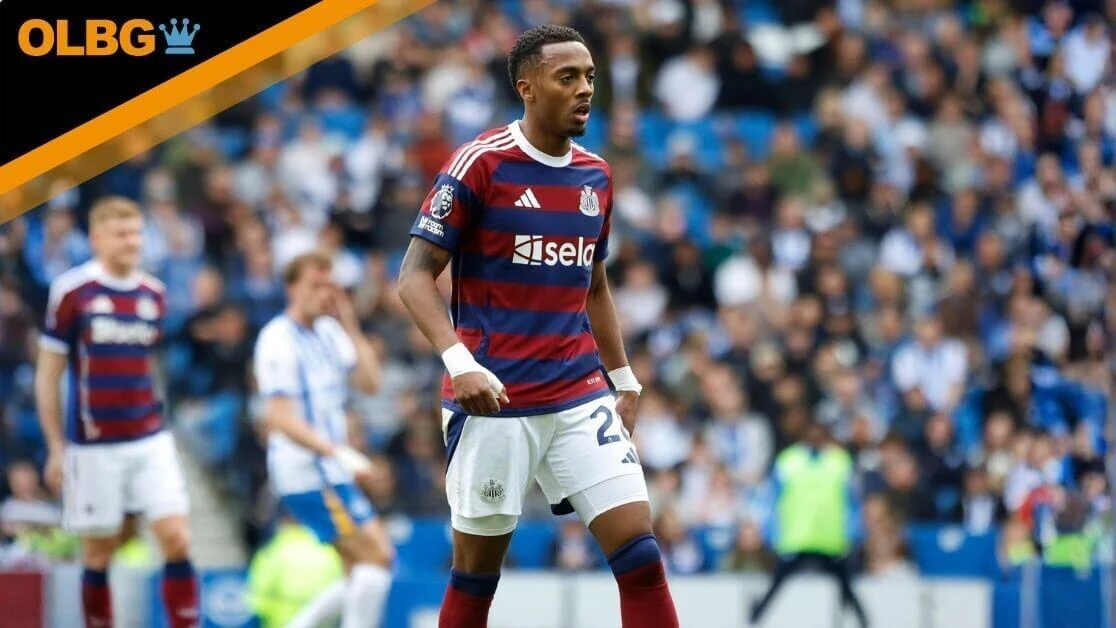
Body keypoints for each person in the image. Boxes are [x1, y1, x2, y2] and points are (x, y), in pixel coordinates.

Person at [397, 24, 680, 628]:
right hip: (495, 399)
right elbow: (414, 277)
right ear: (527, 88)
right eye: (568, 77)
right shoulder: (481, 165)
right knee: (476, 580)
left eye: (591, 78)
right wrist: (460, 362)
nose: (585, 90)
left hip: (578, 390)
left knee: (642, 558)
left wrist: (623, 376)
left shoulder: (596, 176)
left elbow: (594, 282)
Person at [33, 196, 199, 628]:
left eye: (137, 232)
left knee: (177, 537)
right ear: (97, 238)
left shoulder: (153, 295)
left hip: (149, 437)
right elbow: (48, 374)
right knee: (98, 551)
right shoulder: (72, 292)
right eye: (122, 233)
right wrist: (55, 447)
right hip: (93, 446)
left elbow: (147, 366)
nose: (132, 241)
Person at [252, 251, 394, 628]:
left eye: (329, 285)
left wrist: (347, 319)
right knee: (377, 558)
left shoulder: (330, 333)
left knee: (362, 570)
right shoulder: (277, 339)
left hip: (332, 469)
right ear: (292, 288)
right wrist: (339, 453)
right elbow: (279, 417)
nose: (323, 293)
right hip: (305, 471)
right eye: (315, 285)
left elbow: (370, 382)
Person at [750, 421, 869, 628]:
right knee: (775, 586)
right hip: (796, 538)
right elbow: (771, 500)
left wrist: (853, 531)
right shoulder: (787, 461)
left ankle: (864, 622)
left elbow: (852, 501)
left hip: (830, 540)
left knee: (846, 587)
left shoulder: (840, 462)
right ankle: (753, 620)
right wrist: (771, 532)